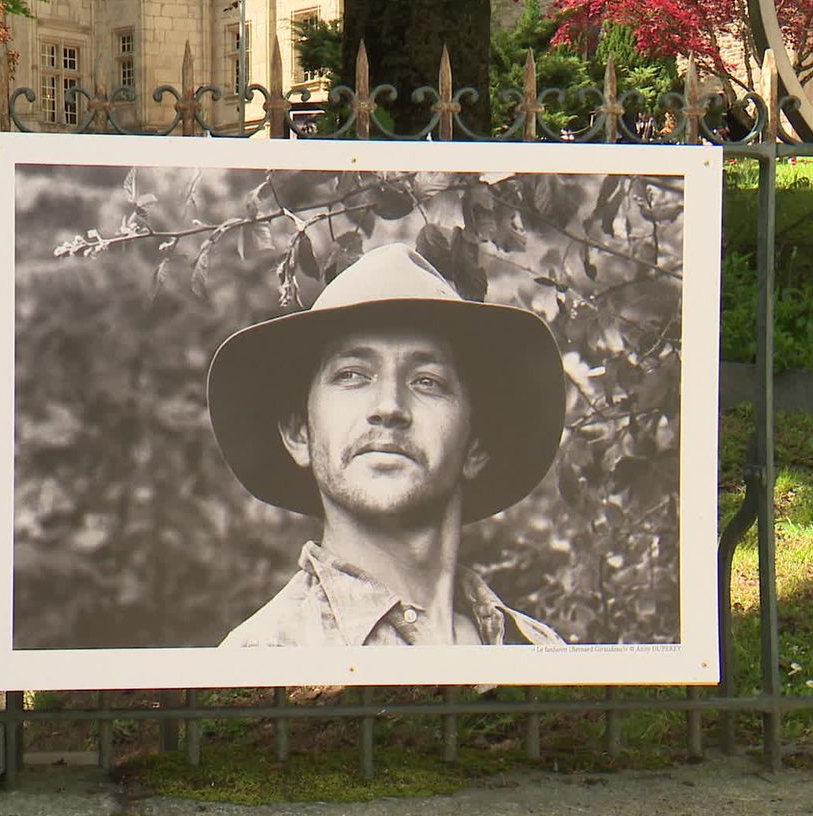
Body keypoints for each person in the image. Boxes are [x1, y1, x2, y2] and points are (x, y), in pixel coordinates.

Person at [208, 242, 568, 647]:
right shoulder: (259, 661)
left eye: (427, 381)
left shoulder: (541, 652)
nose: (389, 407)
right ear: (299, 433)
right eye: (351, 375)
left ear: (475, 445)